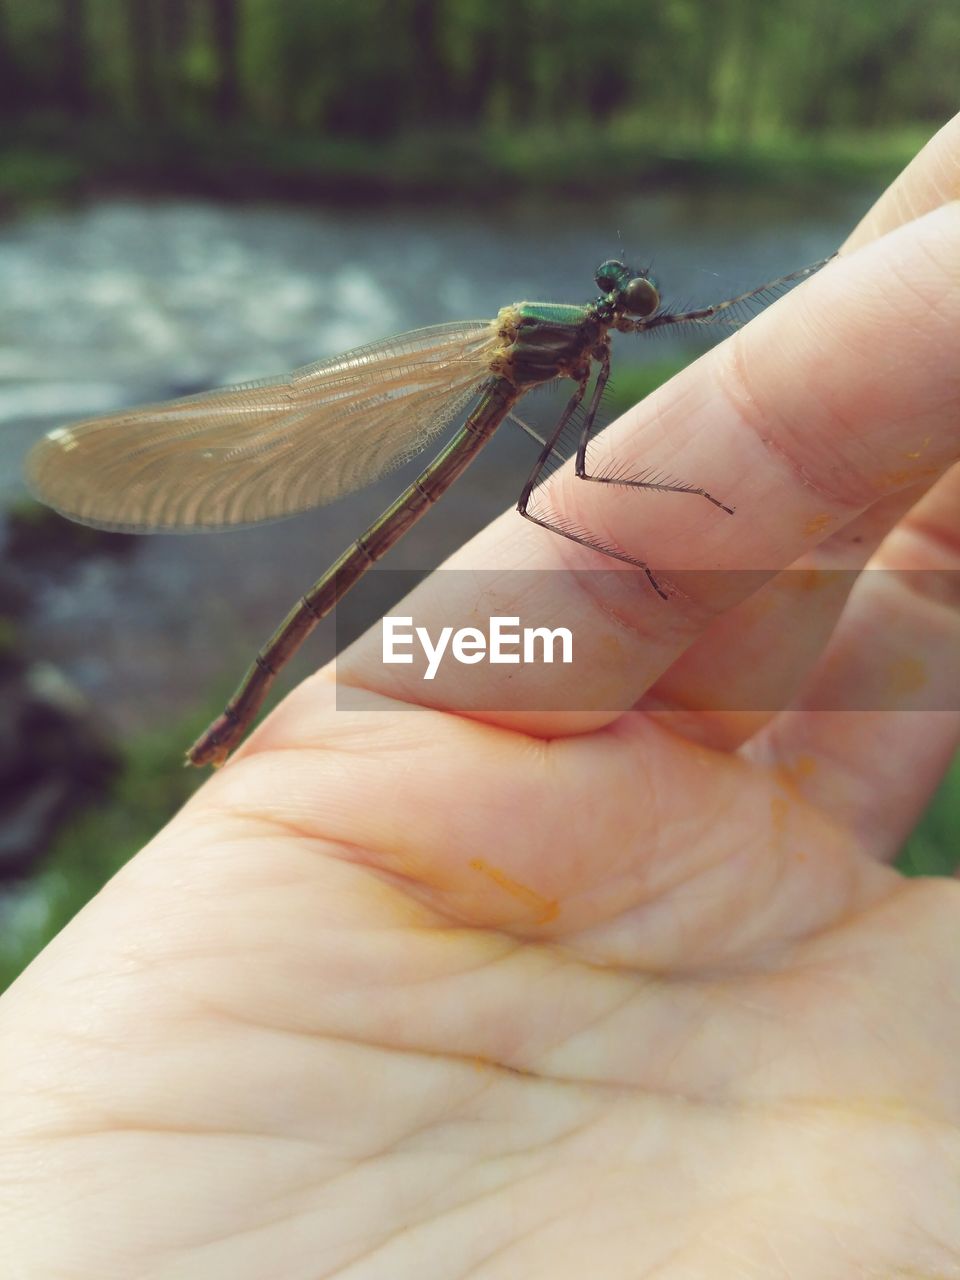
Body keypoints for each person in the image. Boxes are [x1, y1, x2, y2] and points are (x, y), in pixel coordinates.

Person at [2, 115, 958, 1279]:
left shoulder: (579, 342)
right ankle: (241, 708)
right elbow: (588, 470)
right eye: (628, 304)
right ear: (601, 321)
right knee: (529, 502)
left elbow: (584, 456)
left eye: (635, 303)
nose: (635, 312)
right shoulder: (547, 344)